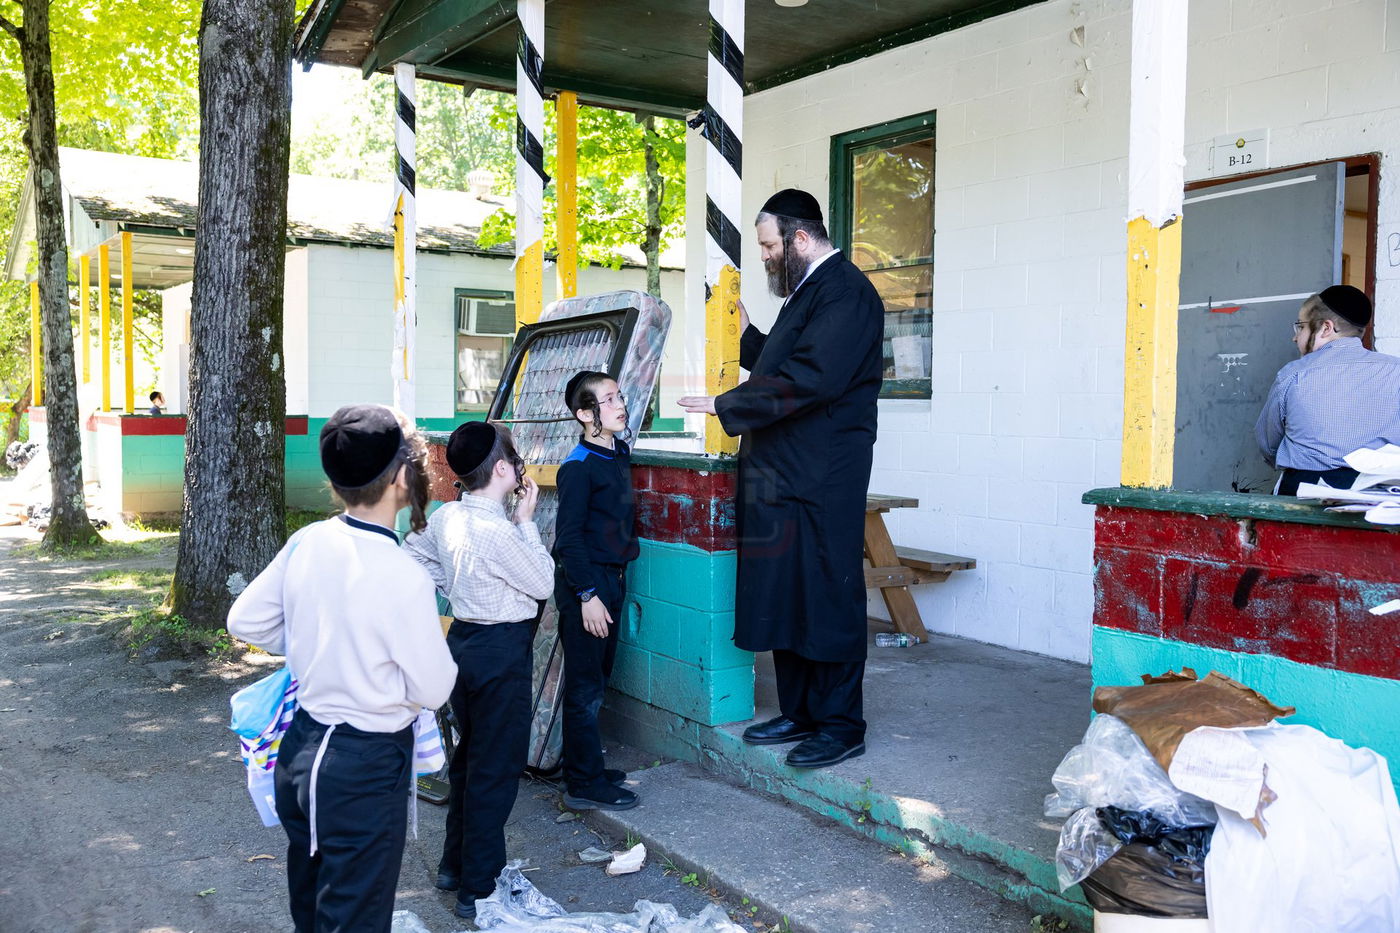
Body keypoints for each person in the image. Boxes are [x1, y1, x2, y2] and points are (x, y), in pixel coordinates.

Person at [227, 404, 456, 933]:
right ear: (401, 478)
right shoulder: (403, 574)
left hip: (301, 751)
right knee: (355, 917)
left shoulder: (308, 540)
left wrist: (318, 645)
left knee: (311, 905)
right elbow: (435, 687)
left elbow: (245, 619)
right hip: (365, 767)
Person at [678, 188, 884, 770]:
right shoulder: (810, 291)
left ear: (800, 238)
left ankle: (840, 724)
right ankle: (801, 712)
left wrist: (727, 404)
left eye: (769, 246)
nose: (765, 256)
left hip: (824, 475)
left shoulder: (846, 291)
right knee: (787, 588)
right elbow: (787, 361)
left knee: (827, 590)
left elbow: (813, 378)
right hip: (786, 470)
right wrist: (749, 339)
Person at [401, 421, 553, 921]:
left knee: (469, 761)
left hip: (463, 646)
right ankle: (478, 887)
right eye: (516, 459)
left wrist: (454, 585)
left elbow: (412, 553)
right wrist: (527, 520)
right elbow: (543, 583)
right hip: (500, 651)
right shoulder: (501, 532)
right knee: (495, 770)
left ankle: (453, 866)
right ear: (504, 470)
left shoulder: (447, 516)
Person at [553, 371, 640, 810]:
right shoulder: (578, 467)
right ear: (585, 415)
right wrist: (587, 595)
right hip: (587, 584)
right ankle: (583, 784)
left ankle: (585, 767)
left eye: (619, 396)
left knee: (598, 681)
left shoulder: (618, 451)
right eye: (608, 400)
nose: (620, 405)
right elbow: (568, 539)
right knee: (585, 687)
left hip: (613, 578)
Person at [1256, 285, 1400, 495]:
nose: (1295, 337)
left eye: (1300, 327)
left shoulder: (1294, 374)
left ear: (1326, 328)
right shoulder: (1396, 371)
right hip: (1378, 496)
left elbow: (1269, 445)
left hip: (1303, 491)